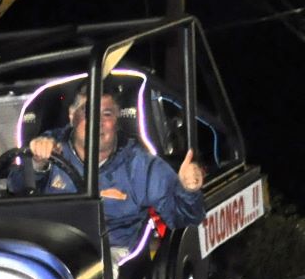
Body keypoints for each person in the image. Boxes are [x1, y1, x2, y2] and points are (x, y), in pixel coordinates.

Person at [18, 89, 206, 249]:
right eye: (87, 112)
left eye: (106, 114)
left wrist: (188, 190)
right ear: (71, 116)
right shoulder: (49, 147)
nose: (97, 122)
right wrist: (36, 165)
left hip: (112, 256)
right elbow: (15, 191)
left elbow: (184, 218)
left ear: (117, 120)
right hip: (53, 248)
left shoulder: (139, 165)